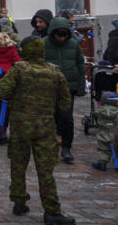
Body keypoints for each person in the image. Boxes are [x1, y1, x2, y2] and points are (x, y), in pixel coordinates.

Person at [0, 37, 75, 225]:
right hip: (45, 125)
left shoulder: (19, 69)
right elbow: (65, 103)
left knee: (18, 164)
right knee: (46, 170)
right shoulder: (55, 72)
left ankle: (19, 201)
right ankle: (52, 211)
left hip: (21, 125)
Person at [44, 17, 85, 164]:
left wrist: (81, 85)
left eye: (64, 35)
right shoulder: (44, 43)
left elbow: (80, 64)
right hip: (49, 87)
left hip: (68, 87)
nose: (61, 38)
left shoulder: (73, 44)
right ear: (53, 33)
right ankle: (50, 145)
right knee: (50, 117)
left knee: (67, 118)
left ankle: (66, 147)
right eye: (58, 35)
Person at [91, 93, 118, 171]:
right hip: (114, 133)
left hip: (103, 133)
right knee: (116, 149)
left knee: (103, 149)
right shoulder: (117, 111)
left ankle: (102, 163)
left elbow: (95, 114)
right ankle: (117, 163)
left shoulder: (101, 110)